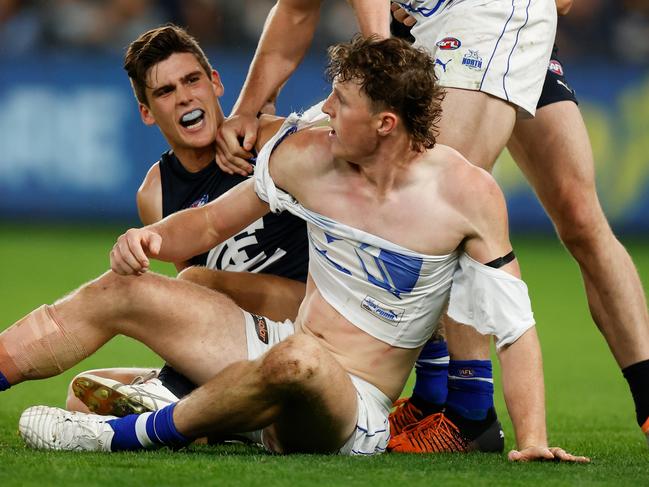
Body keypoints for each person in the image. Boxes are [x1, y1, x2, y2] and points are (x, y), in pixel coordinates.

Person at [1, 31, 586, 461]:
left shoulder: (467, 195)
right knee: (126, 291)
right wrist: (147, 238)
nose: (323, 110)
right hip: (276, 344)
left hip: (352, 403)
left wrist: (533, 439)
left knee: (298, 362)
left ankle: (121, 435)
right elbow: (206, 227)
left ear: (384, 123)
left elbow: (515, 326)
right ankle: (213, 409)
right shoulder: (309, 156)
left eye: (340, 103)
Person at [218, 0, 649, 451]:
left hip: (486, 16)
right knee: (560, 214)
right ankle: (444, 400)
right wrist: (249, 105)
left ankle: (468, 412)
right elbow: (296, 9)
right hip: (444, 25)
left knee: (440, 196)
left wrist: (382, 53)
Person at [387, 0, 649, 452]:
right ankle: (443, 400)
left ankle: (470, 413)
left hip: (494, 30)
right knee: (442, 205)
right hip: (436, 36)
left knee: (569, 215)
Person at [64, 20, 310, 415]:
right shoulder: (155, 193)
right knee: (81, 395)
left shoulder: (264, 139)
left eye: (192, 80)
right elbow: (192, 312)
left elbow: (193, 287)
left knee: (194, 281)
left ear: (215, 83)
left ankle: (177, 394)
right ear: (147, 112)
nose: (184, 97)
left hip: (306, 315)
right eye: (165, 91)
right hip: (240, 340)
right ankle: (208, 410)